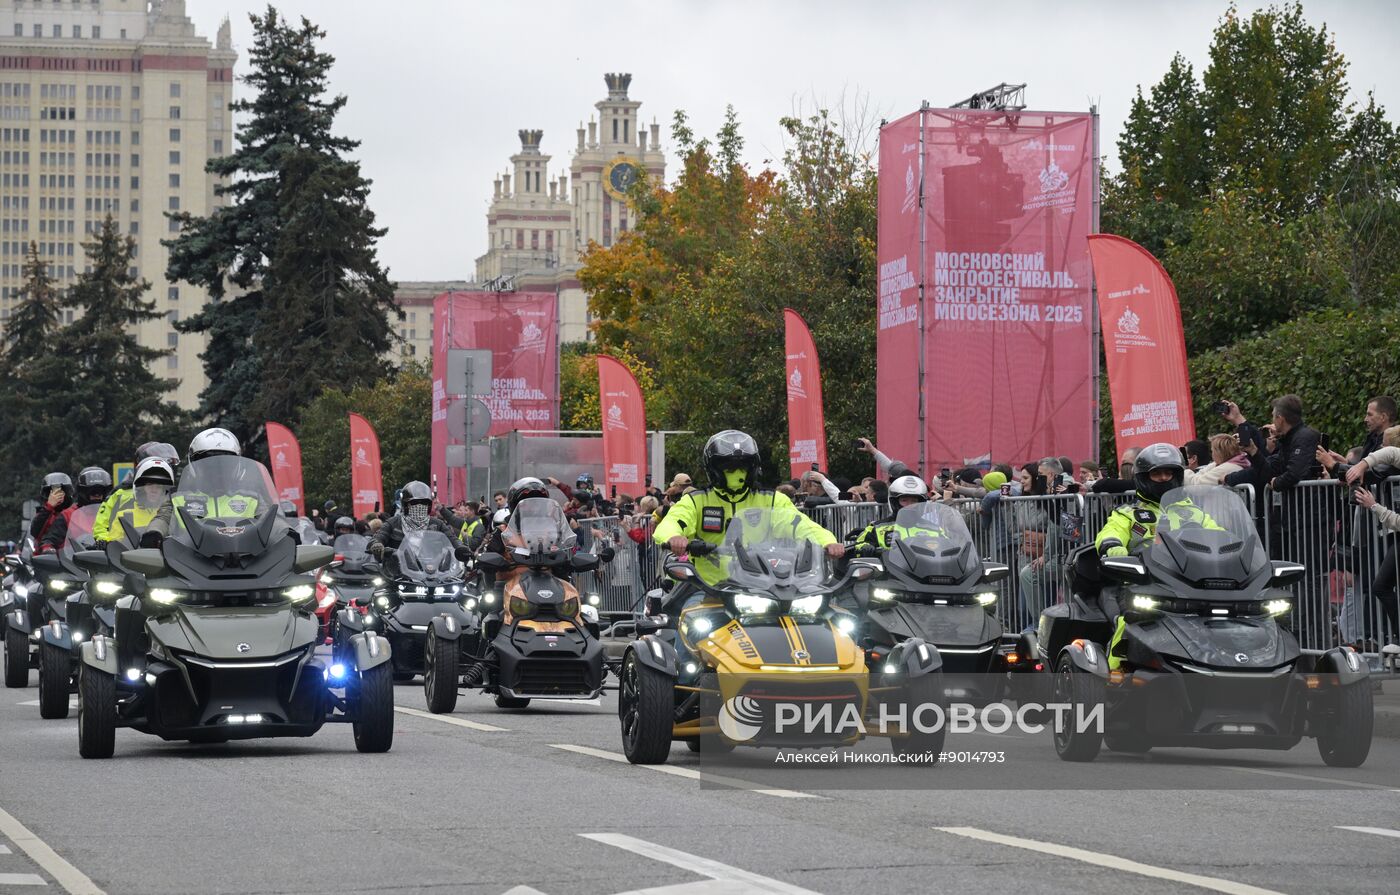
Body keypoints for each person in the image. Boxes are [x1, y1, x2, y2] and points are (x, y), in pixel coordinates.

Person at [653, 430, 842, 597]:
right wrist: (674, 537)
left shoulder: (772, 500)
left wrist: (827, 542)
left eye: (742, 467)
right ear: (714, 469)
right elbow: (673, 521)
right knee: (688, 617)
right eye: (729, 468)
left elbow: (801, 525)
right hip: (708, 588)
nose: (737, 472)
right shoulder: (697, 501)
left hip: (762, 589)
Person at [1093, 442, 1221, 668]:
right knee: (1130, 618)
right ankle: (1115, 674)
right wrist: (1113, 546)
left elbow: (1220, 535)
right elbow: (1110, 532)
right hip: (1144, 583)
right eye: (1156, 474)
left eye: (1168, 473)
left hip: (1191, 585)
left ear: (1177, 475)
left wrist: (1234, 548)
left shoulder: (1195, 513)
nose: (1163, 478)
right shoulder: (1129, 513)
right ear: (1144, 477)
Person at [93, 441, 179, 542]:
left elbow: (187, 530)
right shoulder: (120, 495)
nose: (154, 489)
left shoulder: (177, 497)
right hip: (129, 549)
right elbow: (102, 526)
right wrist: (105, 542)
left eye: (159, 485)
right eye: (149, 484)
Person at [368, 480, 472, 561]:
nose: (419, 507)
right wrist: (376, 544)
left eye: (424, 504)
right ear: (405, 505)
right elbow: (378, 536)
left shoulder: (437, 524)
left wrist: (461, 548)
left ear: (429, 506)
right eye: (414, 504)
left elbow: (453, 539)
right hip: (397, 572)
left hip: (432, 573)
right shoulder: (393, 523)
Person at [851, 475, 931, 553]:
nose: (909, 505)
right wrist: (866, 547)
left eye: (913, 501)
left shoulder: (932, 529)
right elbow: (860, 543)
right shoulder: (878, 527)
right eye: (904, 500)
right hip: (889, 562)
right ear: (894, 502)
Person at [30, 473, 76, 554]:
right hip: (46, 556)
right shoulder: (44, 513)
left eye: (61, 491)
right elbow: (35, 531)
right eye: (54, 492)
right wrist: (49, 506)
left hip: (72, 556)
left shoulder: (74, 513)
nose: (57, 495)